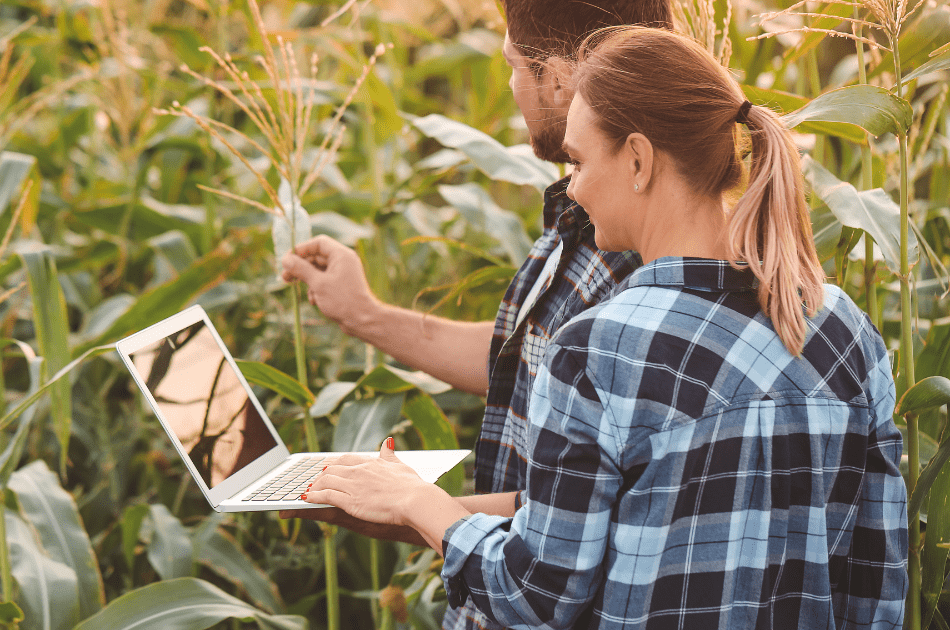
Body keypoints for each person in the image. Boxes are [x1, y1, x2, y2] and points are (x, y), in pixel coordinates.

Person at [303, 26, 908, 629]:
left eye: (579, 160)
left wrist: (418, 501)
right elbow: (877, 587)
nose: (573, 186)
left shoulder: (598, 350)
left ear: (639, 160)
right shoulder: (845, 331)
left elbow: (534, 596)